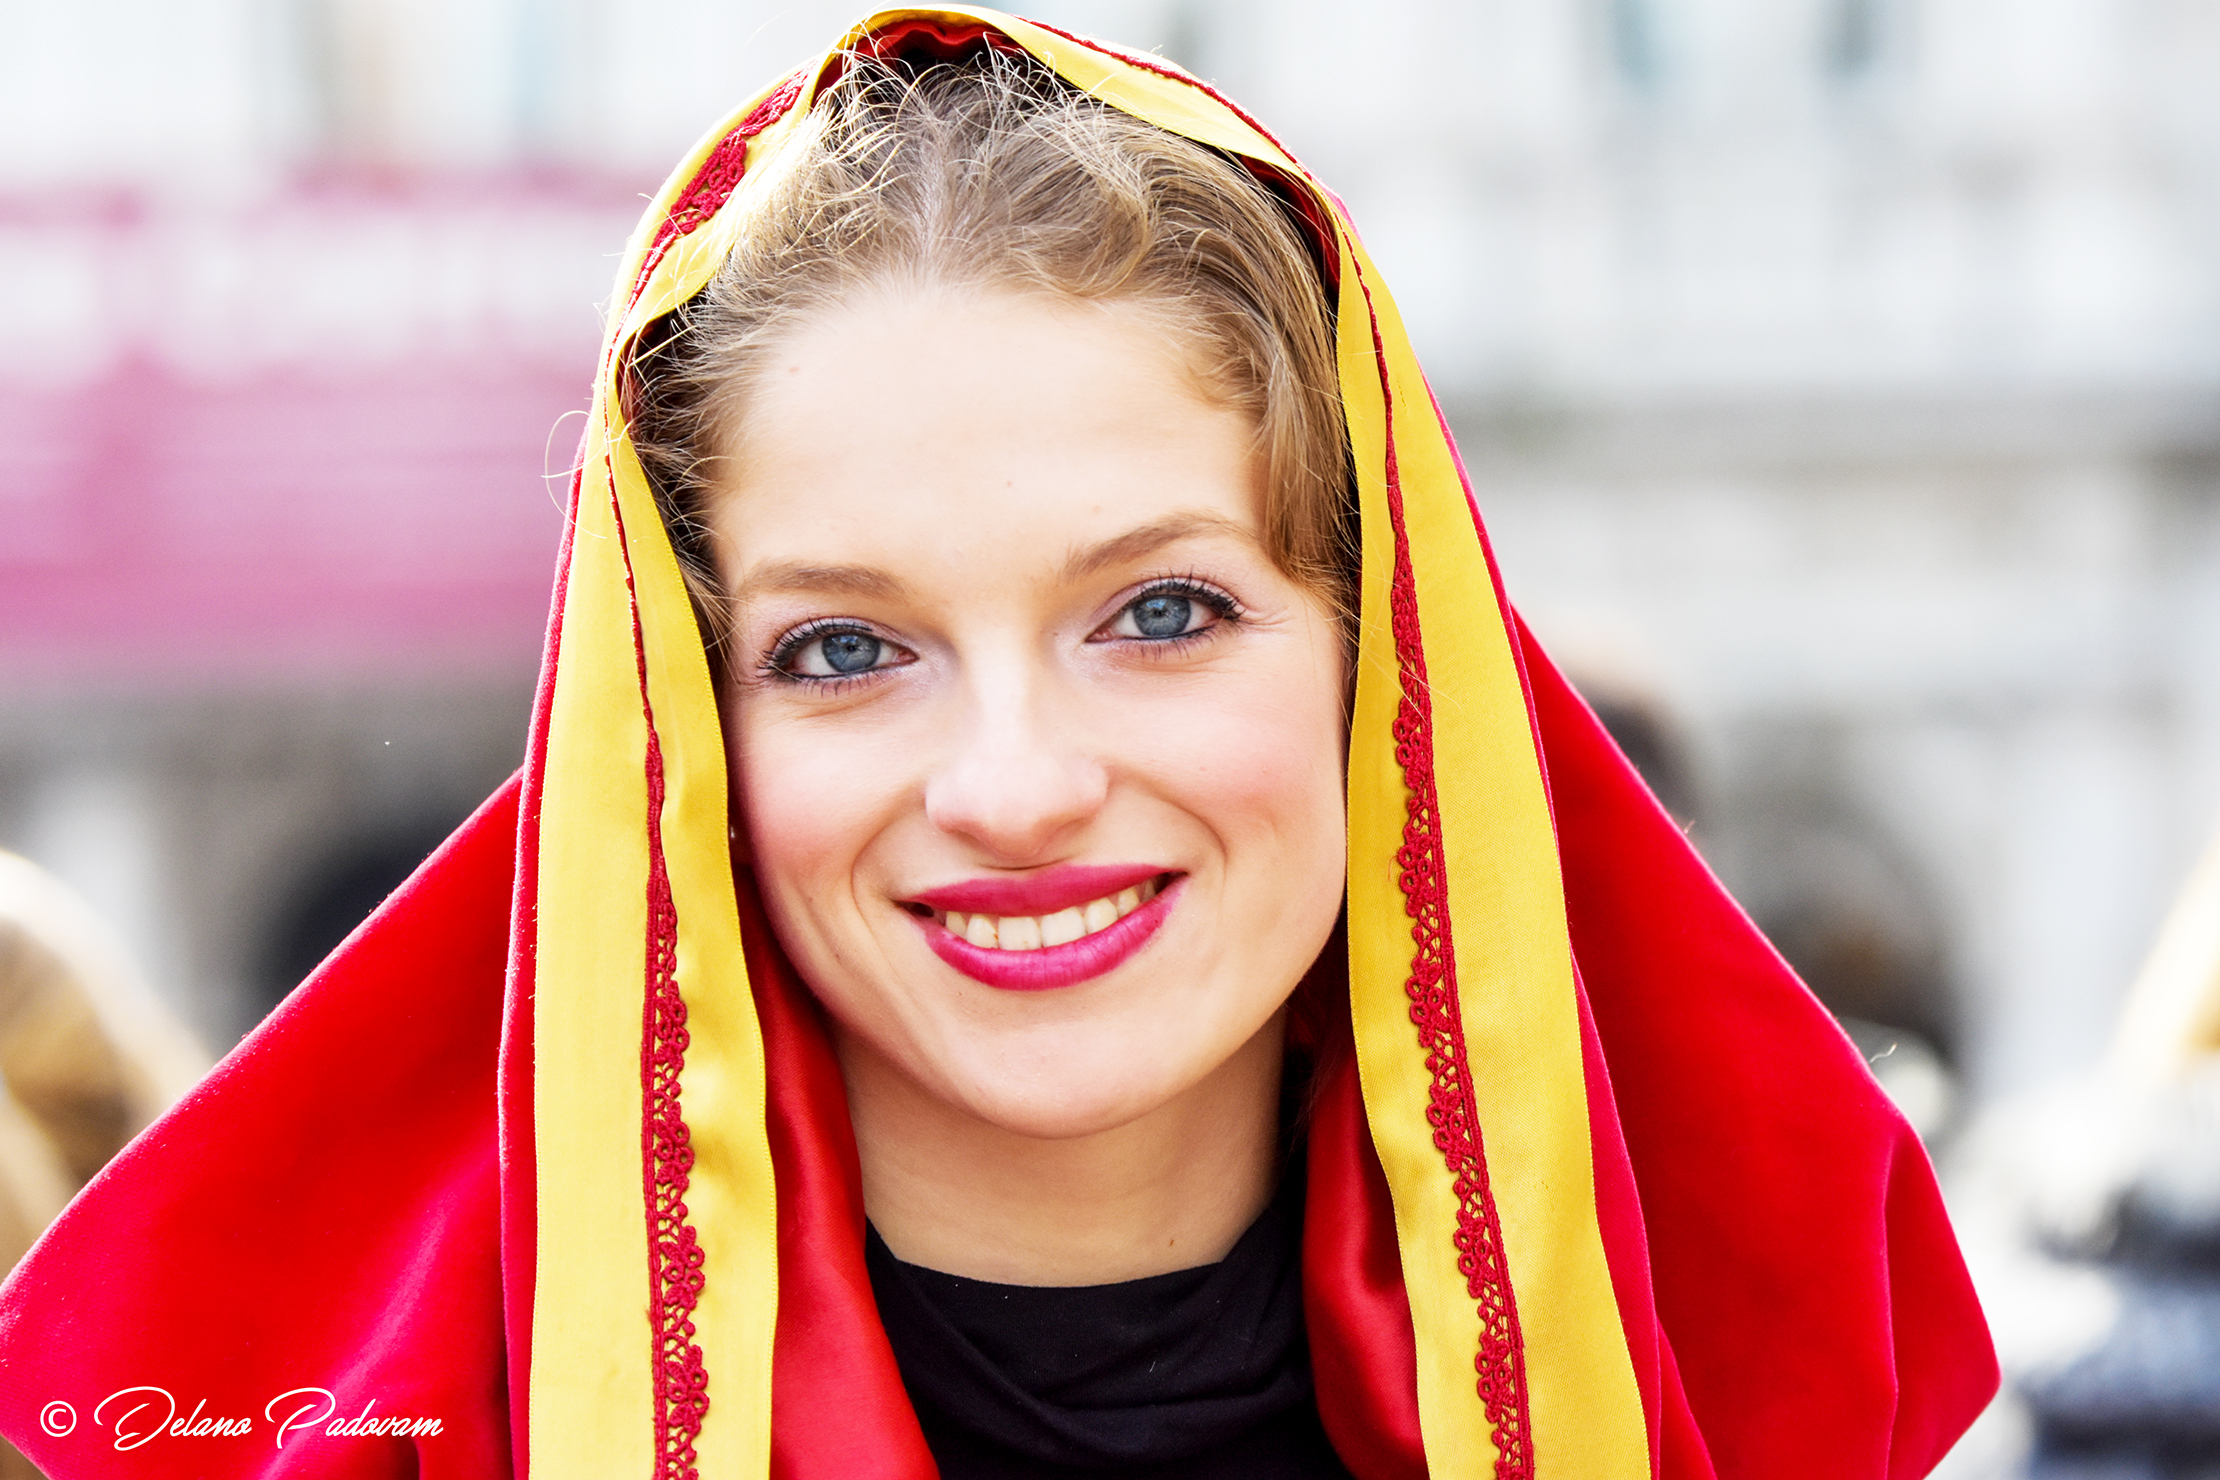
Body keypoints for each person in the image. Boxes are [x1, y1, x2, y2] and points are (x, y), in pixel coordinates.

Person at [0, 10, 1997, 1478]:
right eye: (849, 647)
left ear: (1376, 653)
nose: (1020, 781)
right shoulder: (317, 1433)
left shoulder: (1763, 1398)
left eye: (1160, 610)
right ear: (691, 726)